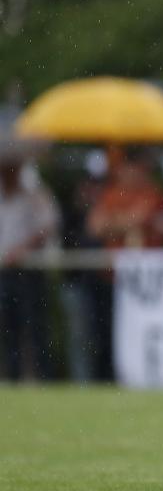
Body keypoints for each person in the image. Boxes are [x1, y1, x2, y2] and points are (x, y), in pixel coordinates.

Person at [0, 157, 60, 380]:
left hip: (29, 271)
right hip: (5, 271)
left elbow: (48, 227)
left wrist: (23, 249)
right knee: (9, 327)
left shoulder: (35, 196)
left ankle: (43, 376)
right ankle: (13, 377)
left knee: (35, 326)